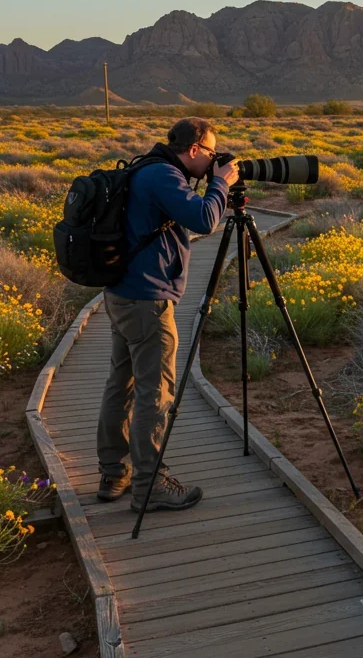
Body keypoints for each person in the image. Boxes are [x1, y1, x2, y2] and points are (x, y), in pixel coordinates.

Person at [96, 117, 238, 511]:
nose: (212, 160)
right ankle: (150, 485)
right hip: (147, 301)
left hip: (122, 293)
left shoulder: (147, 167)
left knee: (120, 383)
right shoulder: (163, 176)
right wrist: (221, 183)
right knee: (153, 395)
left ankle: (113, 472)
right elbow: (205, 220)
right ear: (194, 150)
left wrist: (215, 183)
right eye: (210, 153)